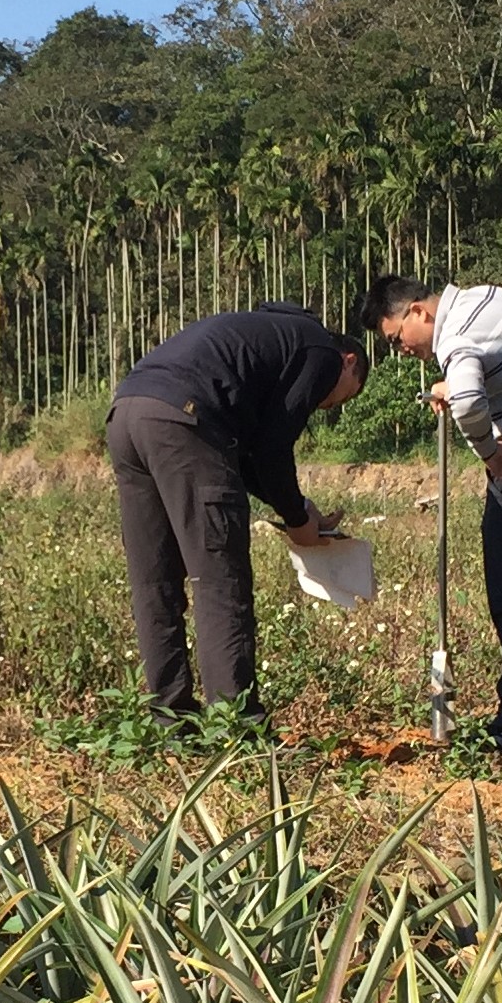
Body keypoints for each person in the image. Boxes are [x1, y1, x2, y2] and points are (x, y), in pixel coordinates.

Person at [357, 275, 502, 755]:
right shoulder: (487, 299)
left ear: (418, 312)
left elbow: (466, 400)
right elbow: (495, 369)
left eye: (396, 338)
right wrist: (457, 380)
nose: (401, 350)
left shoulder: (456, 332)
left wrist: (491, 454)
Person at [106, 302, 366, 728]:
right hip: (185, 420)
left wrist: (299, 510)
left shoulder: (270, 338)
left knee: (154, 580)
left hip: (128, 412)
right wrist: (300, 522)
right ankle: (236, 728)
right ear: (349, 362)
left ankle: (169, 719)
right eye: (345, 394)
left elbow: (247, 463)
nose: (329, 405)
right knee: (220, 581)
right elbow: (273, 450)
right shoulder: (321, 351)